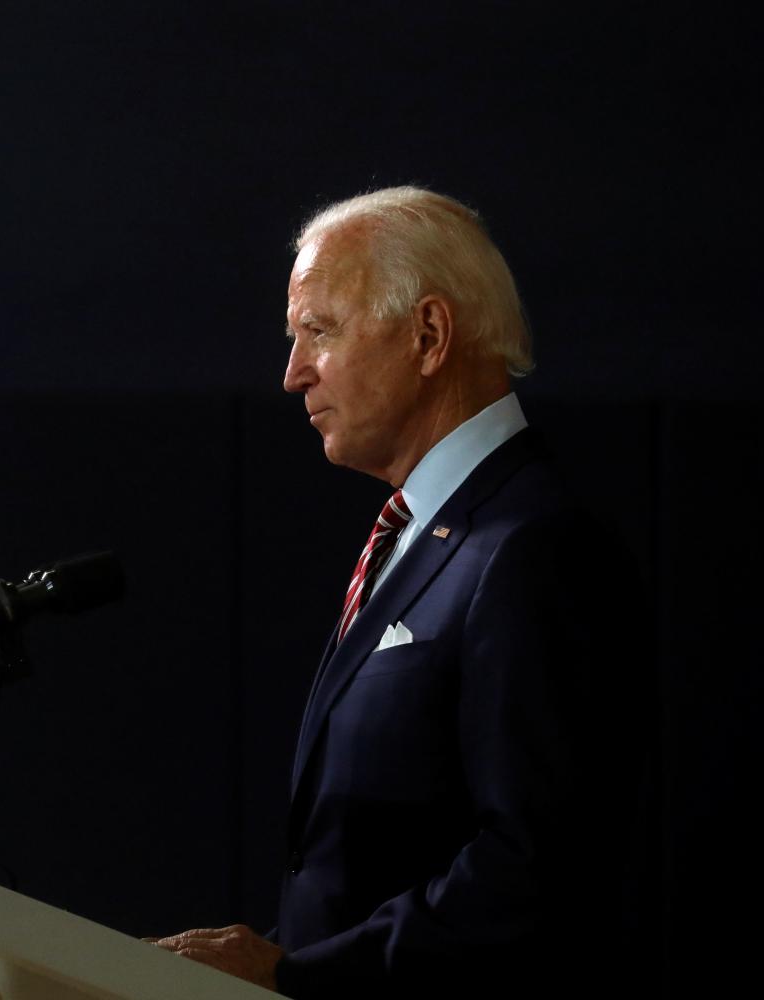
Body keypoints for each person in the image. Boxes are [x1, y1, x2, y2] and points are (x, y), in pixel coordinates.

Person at [153, 187, 650, 996]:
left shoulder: (533, 547)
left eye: (319, 331)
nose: (292, 374)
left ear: (428, 335)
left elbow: (533, 870)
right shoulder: (420, 532)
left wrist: (297, 974)